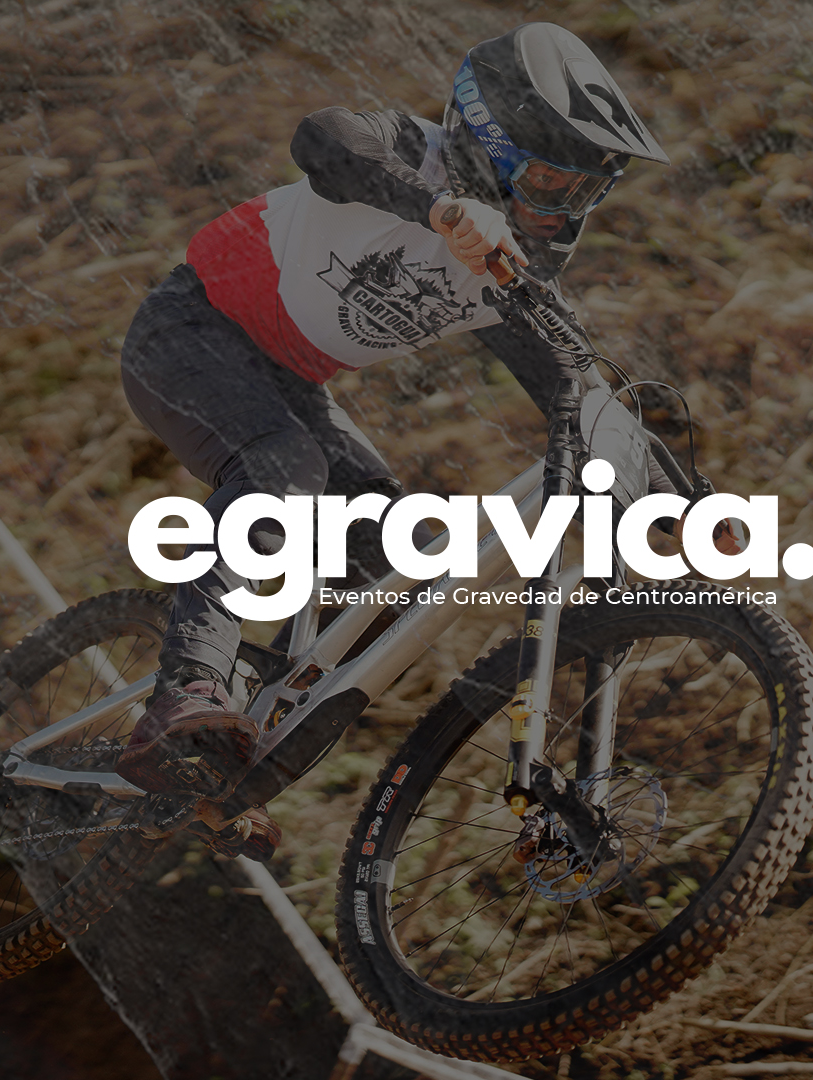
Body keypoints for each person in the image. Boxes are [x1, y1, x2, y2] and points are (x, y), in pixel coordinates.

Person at [113, 23, 672, 843]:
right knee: (285, 468)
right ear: (489, 144)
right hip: (188, 330)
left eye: (581, 192)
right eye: (548, 179)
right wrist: (438, 209)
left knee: (386, 562)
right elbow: (322, 140)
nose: (558, 210)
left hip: (286, 383)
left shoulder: (510, 272)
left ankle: (228, 756)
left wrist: (674, 499)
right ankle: (186, 687)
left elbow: (575, 392)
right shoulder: (413, 152)